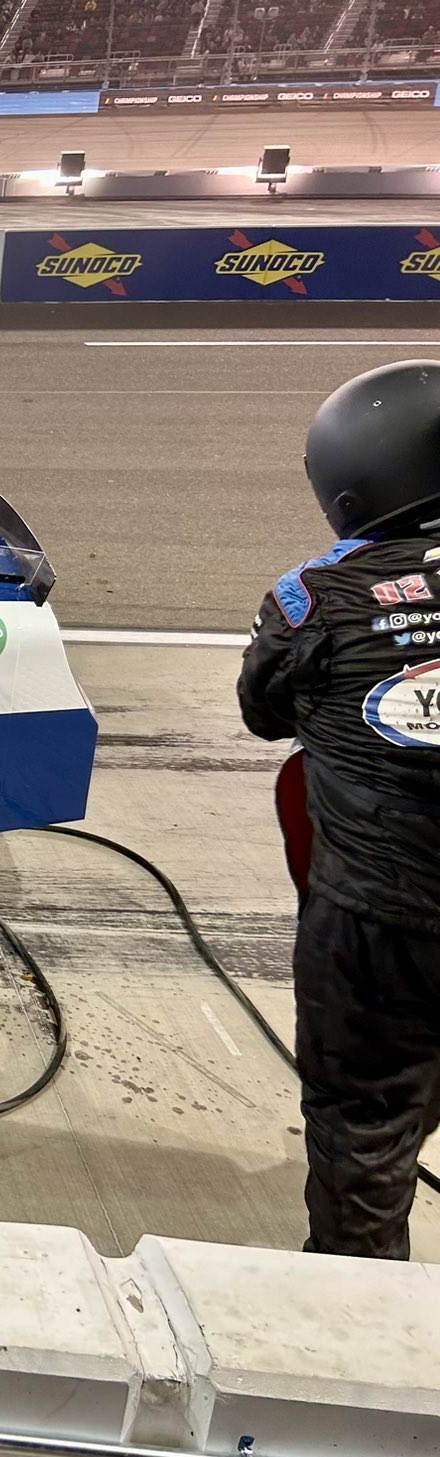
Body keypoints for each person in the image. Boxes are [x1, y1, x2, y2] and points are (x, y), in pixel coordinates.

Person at [237, 360, 440, 1260]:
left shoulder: (313, 597)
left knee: (364, 1122)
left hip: (379, 924)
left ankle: (359, 1309)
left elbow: (263, 713)